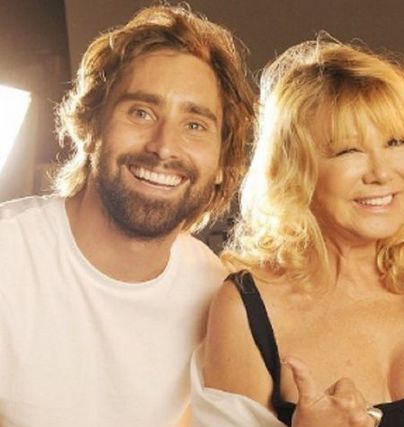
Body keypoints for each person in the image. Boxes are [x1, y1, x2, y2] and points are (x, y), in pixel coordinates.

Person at [190, 36, 404, 427]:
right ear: (295, 170)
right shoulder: (247, 308)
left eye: (396, 142)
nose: (381, 173)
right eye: (348, 150)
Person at [0, 4, 254, 426]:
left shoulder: (218, 295)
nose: (164, 146)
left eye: (195, 125)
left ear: (222, 164)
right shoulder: (8, 256)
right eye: (141, 112)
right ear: (90, 126)